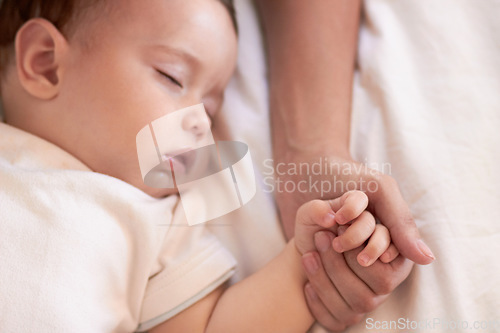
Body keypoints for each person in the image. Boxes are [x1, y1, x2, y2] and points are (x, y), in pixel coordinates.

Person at [0, 0, 402, 332]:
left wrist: (307, 259)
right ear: (45, 62)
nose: (200, 124)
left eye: (211, 109)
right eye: (172, 78)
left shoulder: (162, 225)